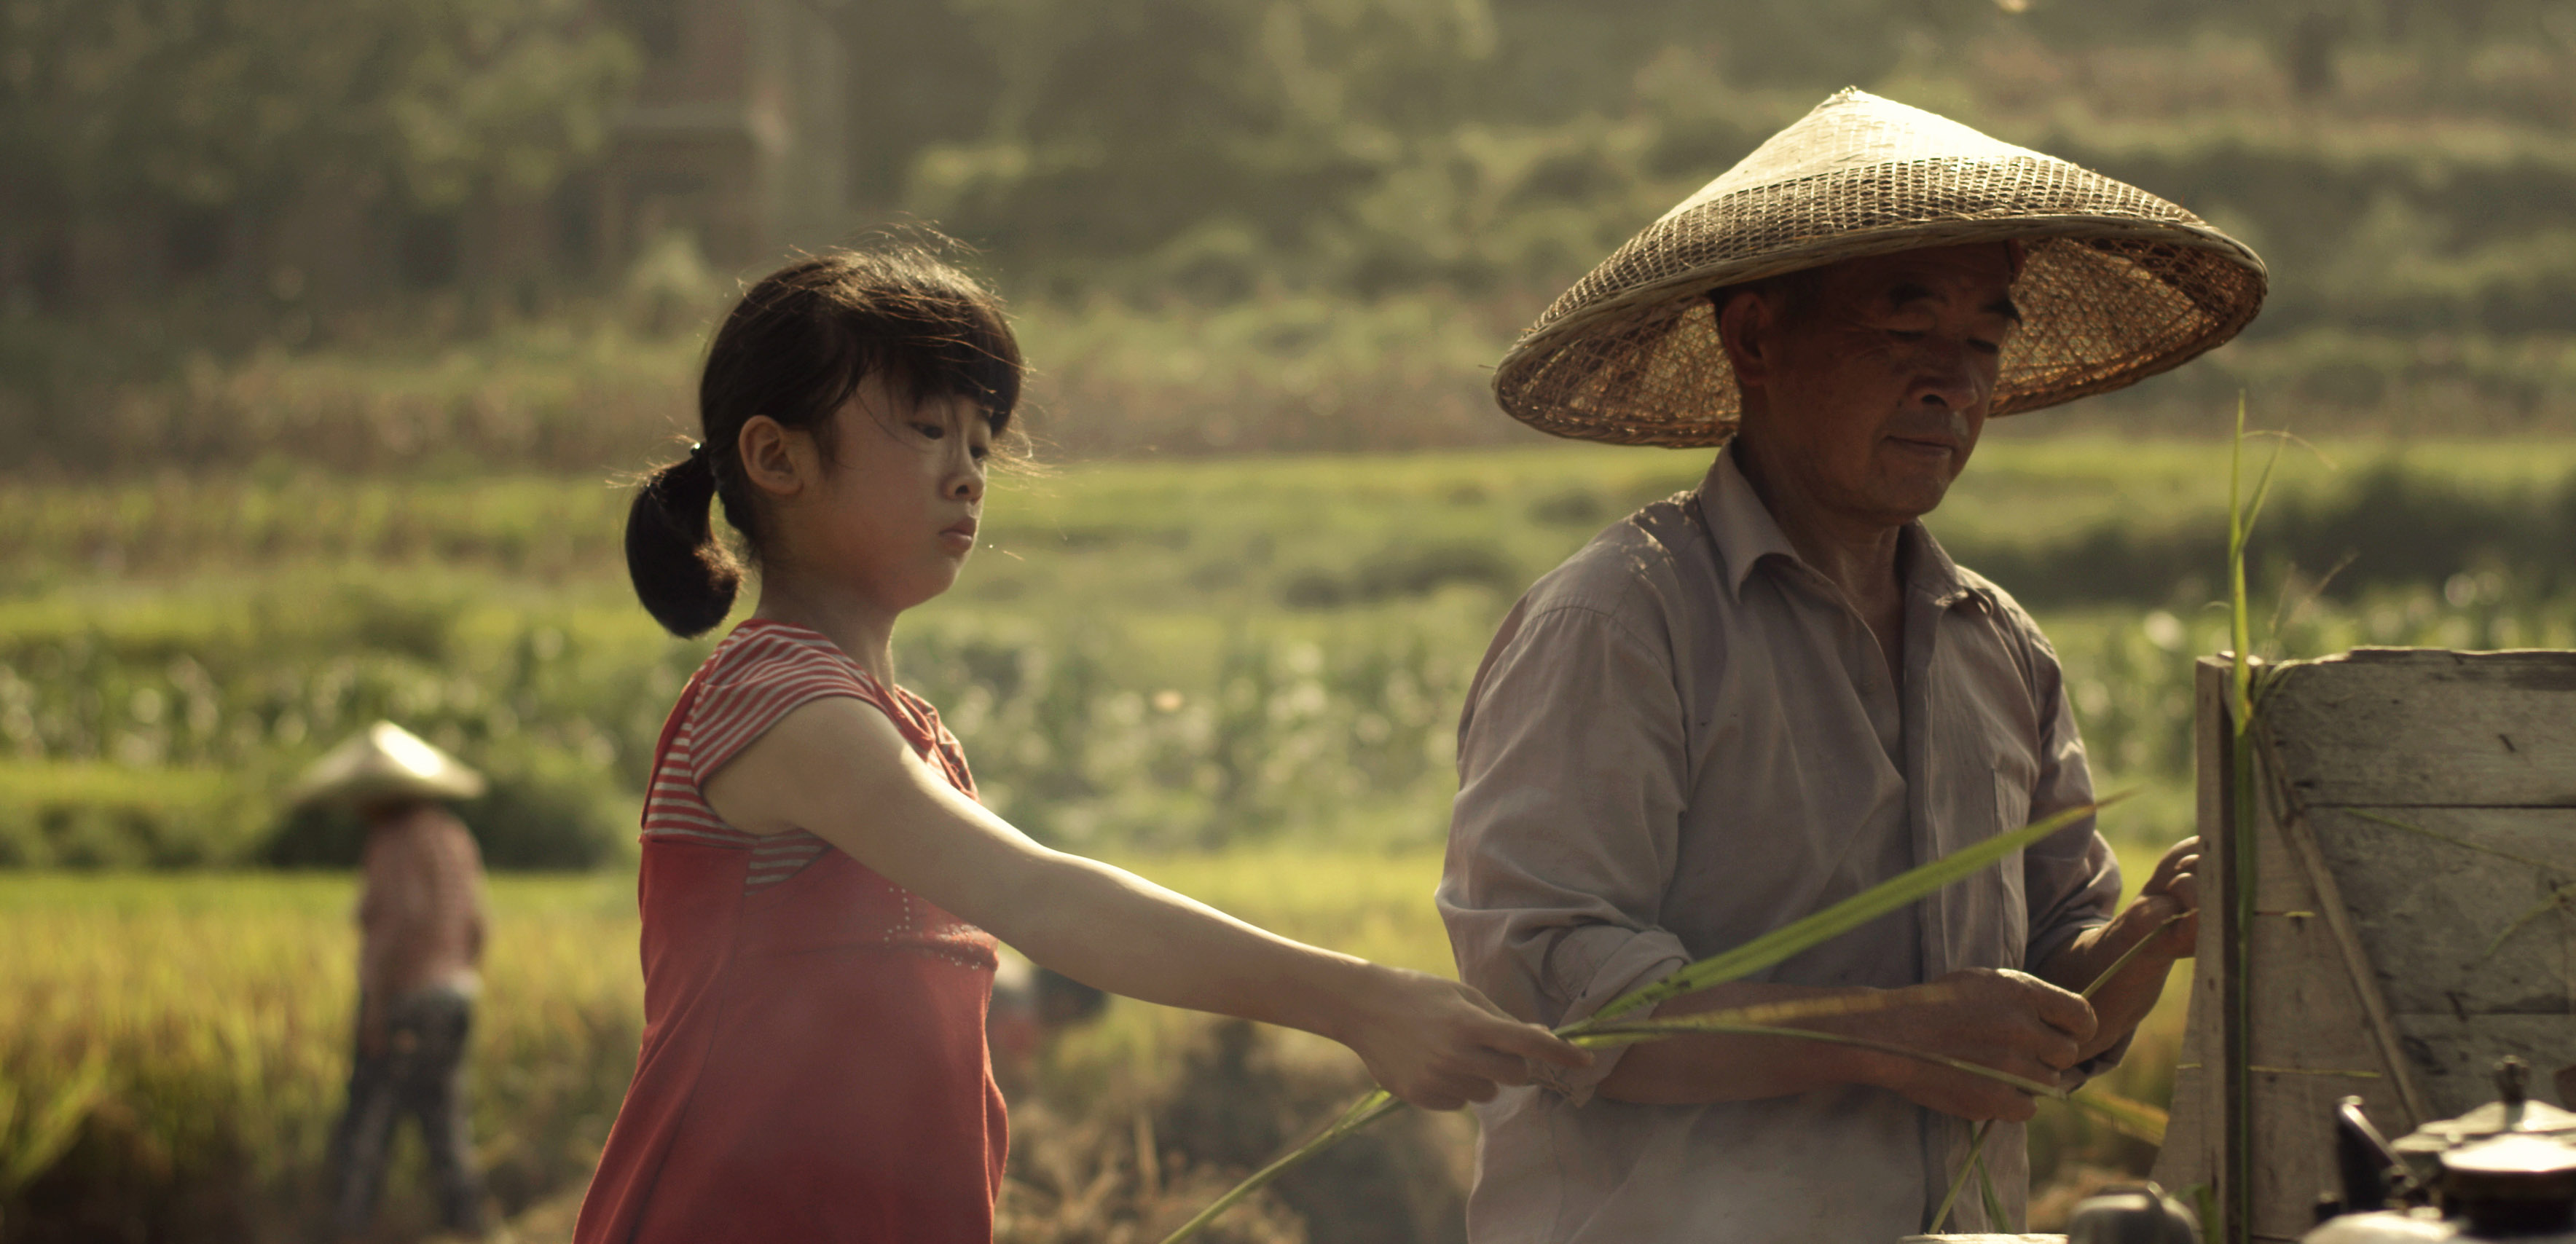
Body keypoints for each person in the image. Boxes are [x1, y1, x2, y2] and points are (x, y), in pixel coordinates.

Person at [573, 243, 1586, 1244]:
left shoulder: (912, 732)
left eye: (980, 443)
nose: (967, 474)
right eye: (927, 428)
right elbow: (1043, 899)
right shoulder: (777, 703)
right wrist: (1360, 1001)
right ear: (775, 456)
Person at [1439, 88, 2269, 1242]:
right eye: (1902, 329)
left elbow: (2046, 1002)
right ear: (1756, 338)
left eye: (1982, 341)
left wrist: (2148, 939)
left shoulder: (1996, 646)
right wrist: (1893, 1032)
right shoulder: (1624, 621)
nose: (1955, 383)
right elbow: (1555, 987)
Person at [292, 720, 495, 1240]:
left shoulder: (394, 841)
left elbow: (398, 928)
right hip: (455, 995)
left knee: (366, 1129)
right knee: (445, 1126)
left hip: (408, 1000)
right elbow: (478, 927)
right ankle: (470, 1230)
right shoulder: (455, 836)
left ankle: (348, 1232)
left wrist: (377, 1009)